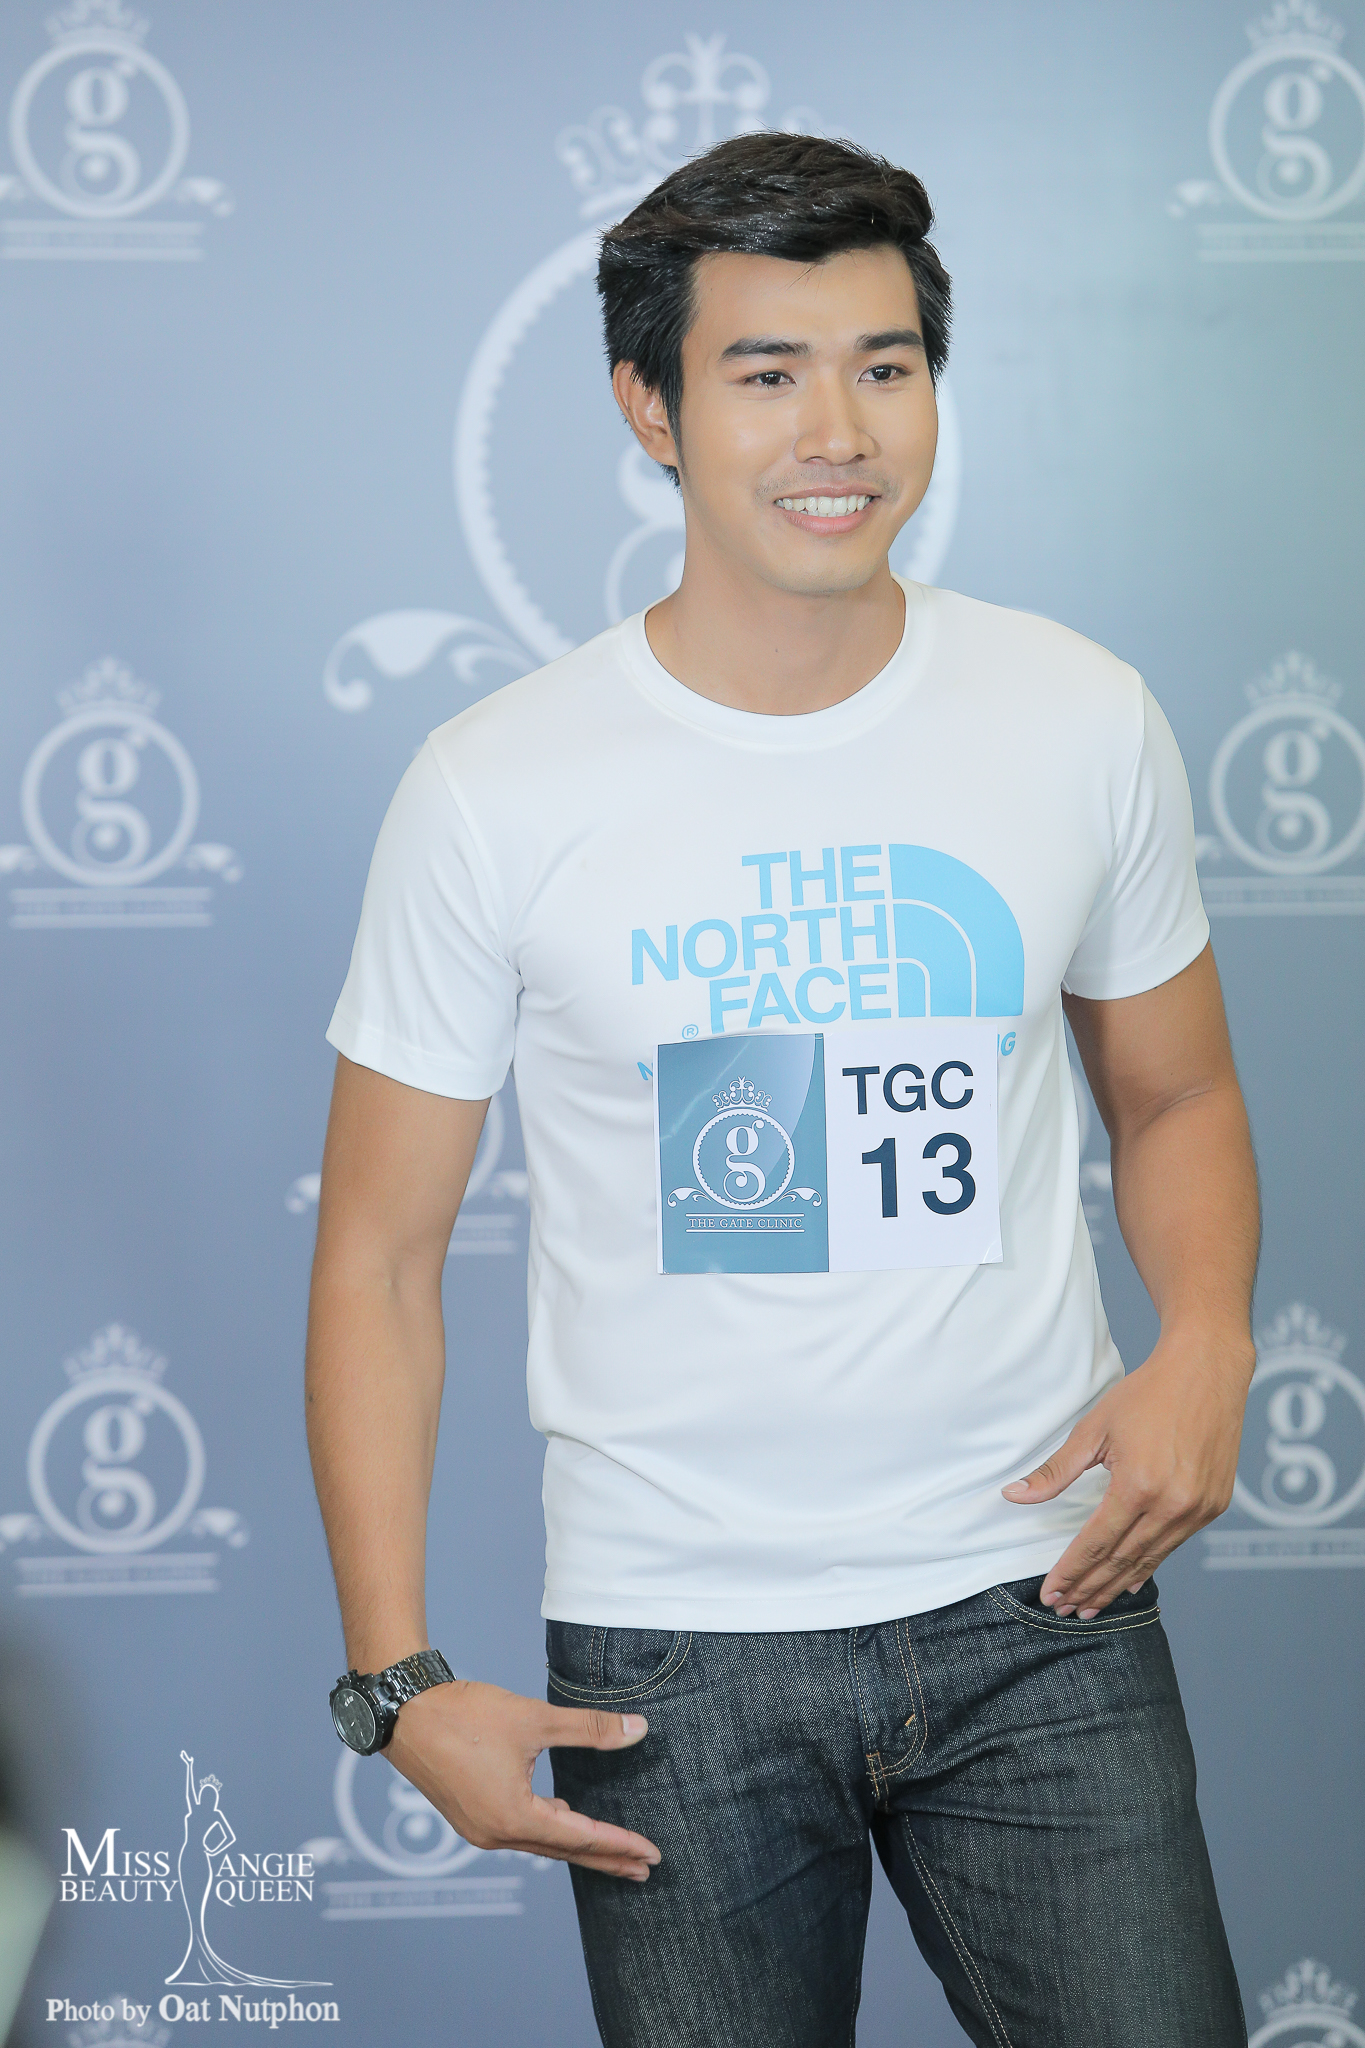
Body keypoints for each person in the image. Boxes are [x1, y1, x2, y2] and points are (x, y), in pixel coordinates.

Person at [306, 133, 1257, 2047]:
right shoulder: (496, 785)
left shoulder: (1079, 715)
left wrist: (1209, 1340)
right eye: (766, 374)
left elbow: (1174, 1097)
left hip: (1042, 1604)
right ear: (648, 407)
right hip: (672, 1654)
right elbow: (379, 1257)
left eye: (883, 366)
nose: (837, 431)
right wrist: (395, 1681)